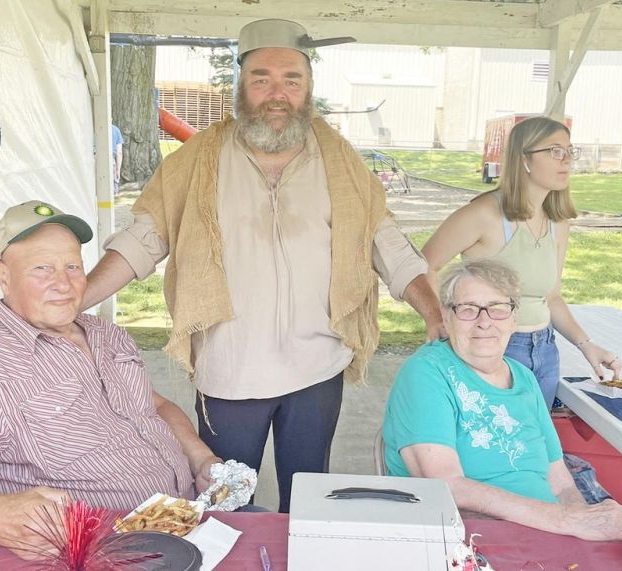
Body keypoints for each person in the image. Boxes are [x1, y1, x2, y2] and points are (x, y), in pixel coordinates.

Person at [82, 19, 442, 513]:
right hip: (230, 371)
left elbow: (388, 243)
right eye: (262, 78)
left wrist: (434, 312)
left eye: (291, 80)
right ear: (239, 86)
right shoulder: (197, 160)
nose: (278, 93)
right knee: (227, 503)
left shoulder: (338, 159)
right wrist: (77, 298)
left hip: (318, 367)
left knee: (309, 500)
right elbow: (143, 239)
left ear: (308, 88)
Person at [0, 200, 222, 560]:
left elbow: (156, 406)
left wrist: (201, 460)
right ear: (4, 275)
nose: (64, 282)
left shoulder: (107, 335)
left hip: (186, 522)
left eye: (73, 266)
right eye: (42, 268)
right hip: (96, 552)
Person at [383, 259, 622, 541]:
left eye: (498, 309)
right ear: (446, 316)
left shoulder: (525, 378)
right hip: (477, 537)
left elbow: (560, 482)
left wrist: (584, 528)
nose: (484, 322)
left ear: (514, 319)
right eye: (468, 309)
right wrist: (565, 521)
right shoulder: (427, 373)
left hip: (548, 531)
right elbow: (445, 485)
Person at [422, 116, 620, 409]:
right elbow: (423, 264)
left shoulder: (558, 222)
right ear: (524, 158)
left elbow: (551, 298)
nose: (566, 160)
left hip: (545, 351)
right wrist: (436, 317)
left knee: (533, 446)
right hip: (492, 347)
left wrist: (586, 345)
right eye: (555, 151)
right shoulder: (484, 214)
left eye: (569, 150)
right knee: (490, 446)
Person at [112, 123, 124, 194]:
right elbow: (119, 152)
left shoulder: (94, 129)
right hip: (111, 160)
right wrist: (118, 170)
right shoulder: (116, 130)